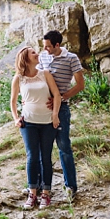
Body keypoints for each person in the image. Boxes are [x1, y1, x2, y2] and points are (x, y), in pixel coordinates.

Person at [10, 47, 62, 209]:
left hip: (47, 122)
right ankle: (32, 193)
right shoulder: (19, 78)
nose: (37, 54)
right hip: (28, 123)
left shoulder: (45, 73)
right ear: (25, 58)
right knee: (32, 157)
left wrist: (55, 115)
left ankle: (46, 194)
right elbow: (12, 101)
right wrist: (16, 118)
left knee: (45, 157)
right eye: (33, 53)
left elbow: (57, 95)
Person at [41, 30, 85, 202]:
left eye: (47, 47)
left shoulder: (71, 58)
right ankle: (41, 188)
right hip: (41, 108)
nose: (44, 50)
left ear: (57, 45)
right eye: (43, 46)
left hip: (61, 109)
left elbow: (80, 84)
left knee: (64, 147)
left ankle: (70, 186)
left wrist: (62, 97)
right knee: (42, 150)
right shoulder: (43, 57)